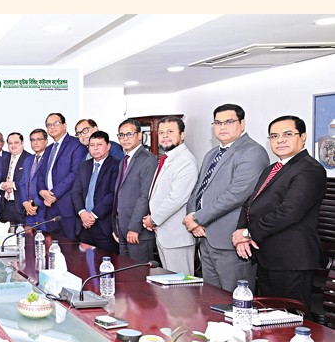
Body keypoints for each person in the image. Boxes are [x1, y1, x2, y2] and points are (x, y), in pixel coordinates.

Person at [234, 115, 326, 311]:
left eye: (288, 134)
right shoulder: (271, 169)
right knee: (269, 318)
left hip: (292, 260)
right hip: (267, 257)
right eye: (274, 136)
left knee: (291, 318)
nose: (280, 140)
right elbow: (249, 204)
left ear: (303, 137)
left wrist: (248, 233)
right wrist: (241, 232)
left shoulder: (310, 169)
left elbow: (289, 212)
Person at [184, 104, 268, 291]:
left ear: (242, 124)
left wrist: (198, 217)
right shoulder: (212, 154)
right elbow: (198, 190)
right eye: (218, 123)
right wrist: (193, 217)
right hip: (205, 237)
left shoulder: (253, 152)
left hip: (231, 240)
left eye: (229, 122)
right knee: (211, 297)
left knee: (234, 299)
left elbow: (236, 194)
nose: (222, 127)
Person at [141, 117, 198, 274]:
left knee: (181, 284)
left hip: (177, 237)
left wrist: (153, 219)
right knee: (168, 283)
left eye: (170, 131)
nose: (165, 135)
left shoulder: (185, 161)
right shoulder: (167, 158)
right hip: (164, 234)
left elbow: (176, 199)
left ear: (182, 135)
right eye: (161, 132)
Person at [111, 118, 158, 262]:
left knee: (139, 272)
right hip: (122, 227)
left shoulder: (148, 159)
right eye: (121, 135)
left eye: (129, 134)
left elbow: (145, 196)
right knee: (125, 270)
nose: (125, 138)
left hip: (138, 231)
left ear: (139, 135)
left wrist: (134, 228)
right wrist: (116, 227)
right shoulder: (124, 160)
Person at [35, 113, 88, 238]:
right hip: (49, 206)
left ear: (65, 125)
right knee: (53, 244)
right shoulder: (48, 149)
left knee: (71, 246)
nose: (52, 127)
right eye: (49, 125)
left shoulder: (76, 145)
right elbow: (41, 174)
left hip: (67, 206)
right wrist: (42, 191)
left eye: (56, 123)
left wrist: (53, 195)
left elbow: (75, 173)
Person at [71, 131, 120, 253]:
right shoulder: (84, 166)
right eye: (92, 145)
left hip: (104, 226)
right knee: (84, 262)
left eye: (99, 144)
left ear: (108, 146)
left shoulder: (116, 165)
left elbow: (113, 194)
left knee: (107, 261)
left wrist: (92, 215)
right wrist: (82, 213)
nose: (95, 148)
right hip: (84, 225)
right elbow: (76, 192)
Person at [0, 132, 31, 225]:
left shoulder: (29, 158)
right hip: (5, 205)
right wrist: (2, 185)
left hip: (21, 207)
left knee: (22, 233)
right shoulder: (4, 159)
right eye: (10, 143)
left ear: (22, 143)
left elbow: (31, 182)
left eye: (16, 142)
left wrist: (13, 185)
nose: (13, 146)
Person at [19, 128, 48, 226]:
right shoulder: (28, 160)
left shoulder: (50, 159)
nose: (35, 143)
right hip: (28, 210)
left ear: (46, 141)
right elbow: (22, 184)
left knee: (44, 235)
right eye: (32, 140)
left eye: (39, 139)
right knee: (29, 235)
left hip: (44, 209)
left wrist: (35, 203)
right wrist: (25, 203)